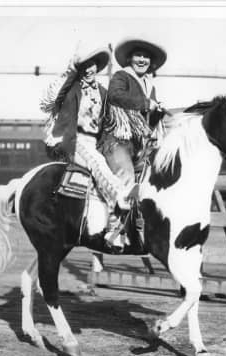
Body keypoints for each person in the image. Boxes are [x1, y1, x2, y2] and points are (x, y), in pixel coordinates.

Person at [39, 46, 132, 245]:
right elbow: (48, 100)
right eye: (84, 66)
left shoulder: (103, 92)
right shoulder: (71, 88)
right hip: (74, 141)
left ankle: (114, 225)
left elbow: (115, 117)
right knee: (97, 162)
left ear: (98, 66)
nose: (89, 70)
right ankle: (120, 198)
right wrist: (70, 71)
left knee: (118, 165)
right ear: (78, 69)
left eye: (92, 65)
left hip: (97, 142)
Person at [99, 38, 167, 189]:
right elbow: (115, 96)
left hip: (141, 146)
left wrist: (157, 114)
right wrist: (146, 103)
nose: (142, 60)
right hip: (118, 141)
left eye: (146, 57)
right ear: (130, 58)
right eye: (138, 55)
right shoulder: (121, 76)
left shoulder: (150, 86)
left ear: (151, 61)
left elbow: (146, 124)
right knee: (126, 178)